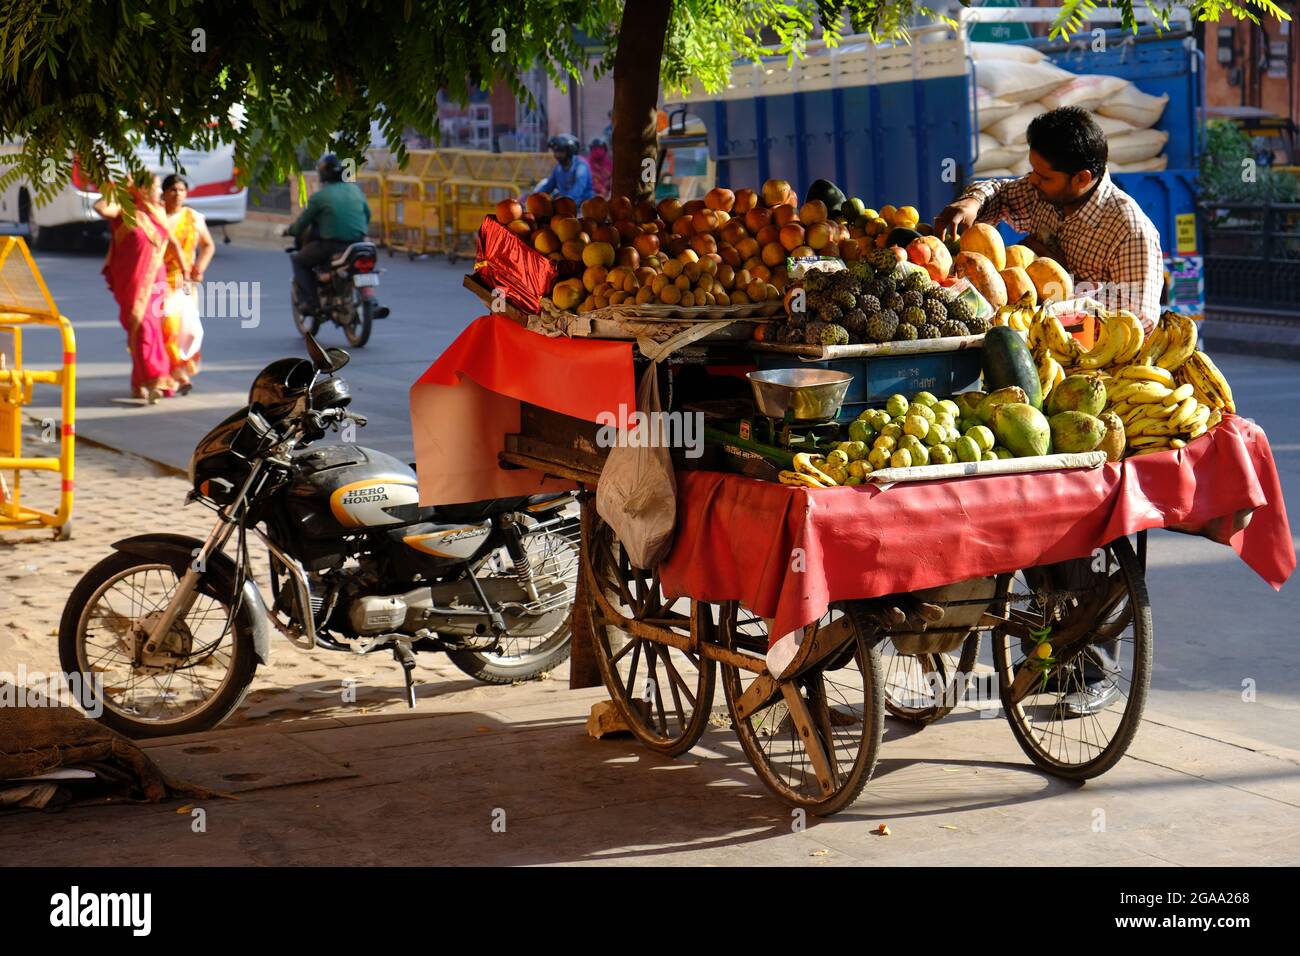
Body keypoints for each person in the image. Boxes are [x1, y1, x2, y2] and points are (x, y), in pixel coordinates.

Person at [935, 106, 1163, 332]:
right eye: (1032, 170)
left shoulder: (1129, 231)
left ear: (1082, 179)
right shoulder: (1042, 191)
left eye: (1044, 176)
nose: (1032, 180)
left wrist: (1064, 288)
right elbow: (1002, 193)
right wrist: (972, 202)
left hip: (1089, 360)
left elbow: (1139, 321)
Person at [94, 175, 182, 404]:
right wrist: (121, 189)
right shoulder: (125, 209)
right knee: (139, 327)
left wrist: (186, 270)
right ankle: (147, 380)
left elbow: (171, 241)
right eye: (154, 186)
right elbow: (100, 207)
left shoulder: (157, 212)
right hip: (131, 280)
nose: (158, 191)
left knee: (150, 331)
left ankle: (149, 380)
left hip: (156, 278)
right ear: (141, 189)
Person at [288, 153, 370, 313]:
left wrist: (290, 230)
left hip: (332, 245)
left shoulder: (320, 196)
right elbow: (367, 215)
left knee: (299, 260)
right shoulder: (355, 190)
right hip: (359, 242)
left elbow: (302, 224)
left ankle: (312, 303)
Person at [160, 174, 215, 394]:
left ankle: (176, 374)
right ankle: (178, 376)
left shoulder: (193, 218)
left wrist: (199, 267)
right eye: (173, 190)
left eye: (181, 190)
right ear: (164, 193)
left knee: (188, 331)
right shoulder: (156, 216)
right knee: (167, 326)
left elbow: (208, 245)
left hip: (185, 282)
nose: (178, 194)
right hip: (160, 280)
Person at [536, 134, 593, 205]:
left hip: (583, 206)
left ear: (569, 152)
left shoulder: (580, 166)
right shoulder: (558, 168)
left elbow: (578, 189)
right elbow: (548, 186)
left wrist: (564, 202)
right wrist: (535, 197)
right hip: (566, 204)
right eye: (555, 152)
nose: (557, 155)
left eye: (560, 151)